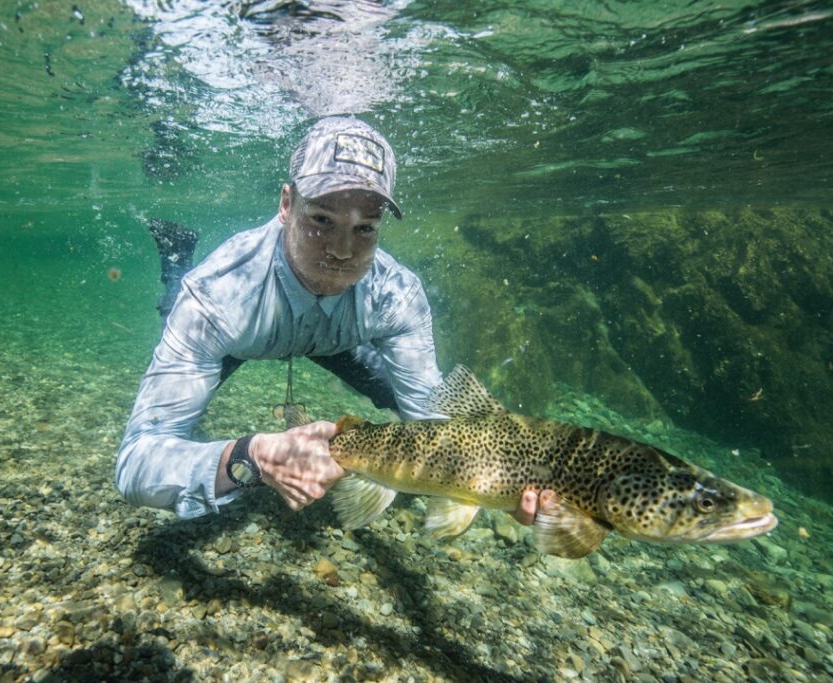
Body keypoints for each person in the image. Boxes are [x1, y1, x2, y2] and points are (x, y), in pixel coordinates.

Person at [115, 116, 547, 526]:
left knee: (414, 412)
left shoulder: (397, 297)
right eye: (322, 219)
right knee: (173, 304)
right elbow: (137, 461)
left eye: (365, 229)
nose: (341, 250)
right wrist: (251, 455)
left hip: (339, 340)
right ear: (286, 204)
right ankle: (176, 258)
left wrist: (493, 484)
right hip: (241, 336)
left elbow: (434, 428)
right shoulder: (215, 297)